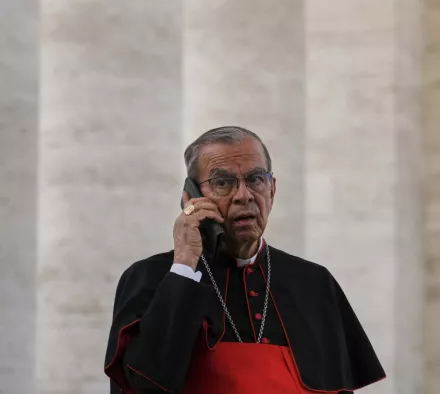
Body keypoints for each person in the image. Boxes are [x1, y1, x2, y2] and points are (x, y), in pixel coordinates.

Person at [104, 126, 384, 393]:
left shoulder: (314, 283)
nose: (244, 195)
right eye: (223, 182)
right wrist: (184, 264)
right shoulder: (151, 277)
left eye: (256, 179)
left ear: (272, 190)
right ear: (192, 197)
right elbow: (144, 384)